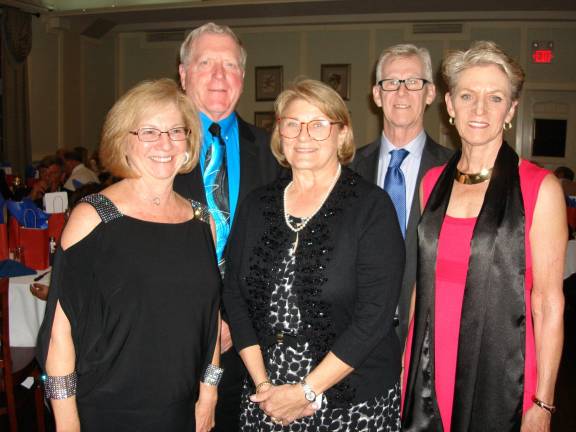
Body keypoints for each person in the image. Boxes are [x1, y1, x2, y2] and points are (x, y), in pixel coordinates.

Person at [36, 78, 222, 431]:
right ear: (124, 141)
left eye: (175, 130)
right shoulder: (93, 218)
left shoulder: (201, 221)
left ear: (188, 140)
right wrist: (67, 424)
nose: (165, 143)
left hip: (181, 408)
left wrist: (209, 393)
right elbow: (59, 333)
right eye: (148, 132)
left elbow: (209, 316)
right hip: (108, 410)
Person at [223, 79, 405, 431]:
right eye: (292, 124)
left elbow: (375, 316)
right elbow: (234, 294)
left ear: (342, 133)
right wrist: (263, 386)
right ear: (280, 134)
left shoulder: (371, 207)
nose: (303, 136)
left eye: (319, 125)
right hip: (267, 395)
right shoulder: (256, 205)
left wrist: (307, 391)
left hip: (349, 396)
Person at [403, 41, 566, 431]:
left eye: (494, 98)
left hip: (503, 366)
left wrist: (543, 403)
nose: (479, 109)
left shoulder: (540, 189)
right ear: (449, 104)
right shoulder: (431, 183)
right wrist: (406, 360)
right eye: (467, 95)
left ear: (510, 110)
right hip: (430, 360)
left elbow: (548, 303)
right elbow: (423, 280)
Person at [175, 22, 282, 431]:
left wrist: (239, 320)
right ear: (183, 75)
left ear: (242, 75)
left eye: (230, 65)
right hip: (175, 343)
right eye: (206, 63)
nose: (219, 75)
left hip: (253, 350)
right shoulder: (158, 149)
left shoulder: (276, 153)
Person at [351, 44, 452, 346]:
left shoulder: (453, 171)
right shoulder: (347, 170)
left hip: (429, 338)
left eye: (413, 82)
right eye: (391, 82)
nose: (402, 92)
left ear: (430, 93)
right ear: (377, 94)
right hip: (356, 335)